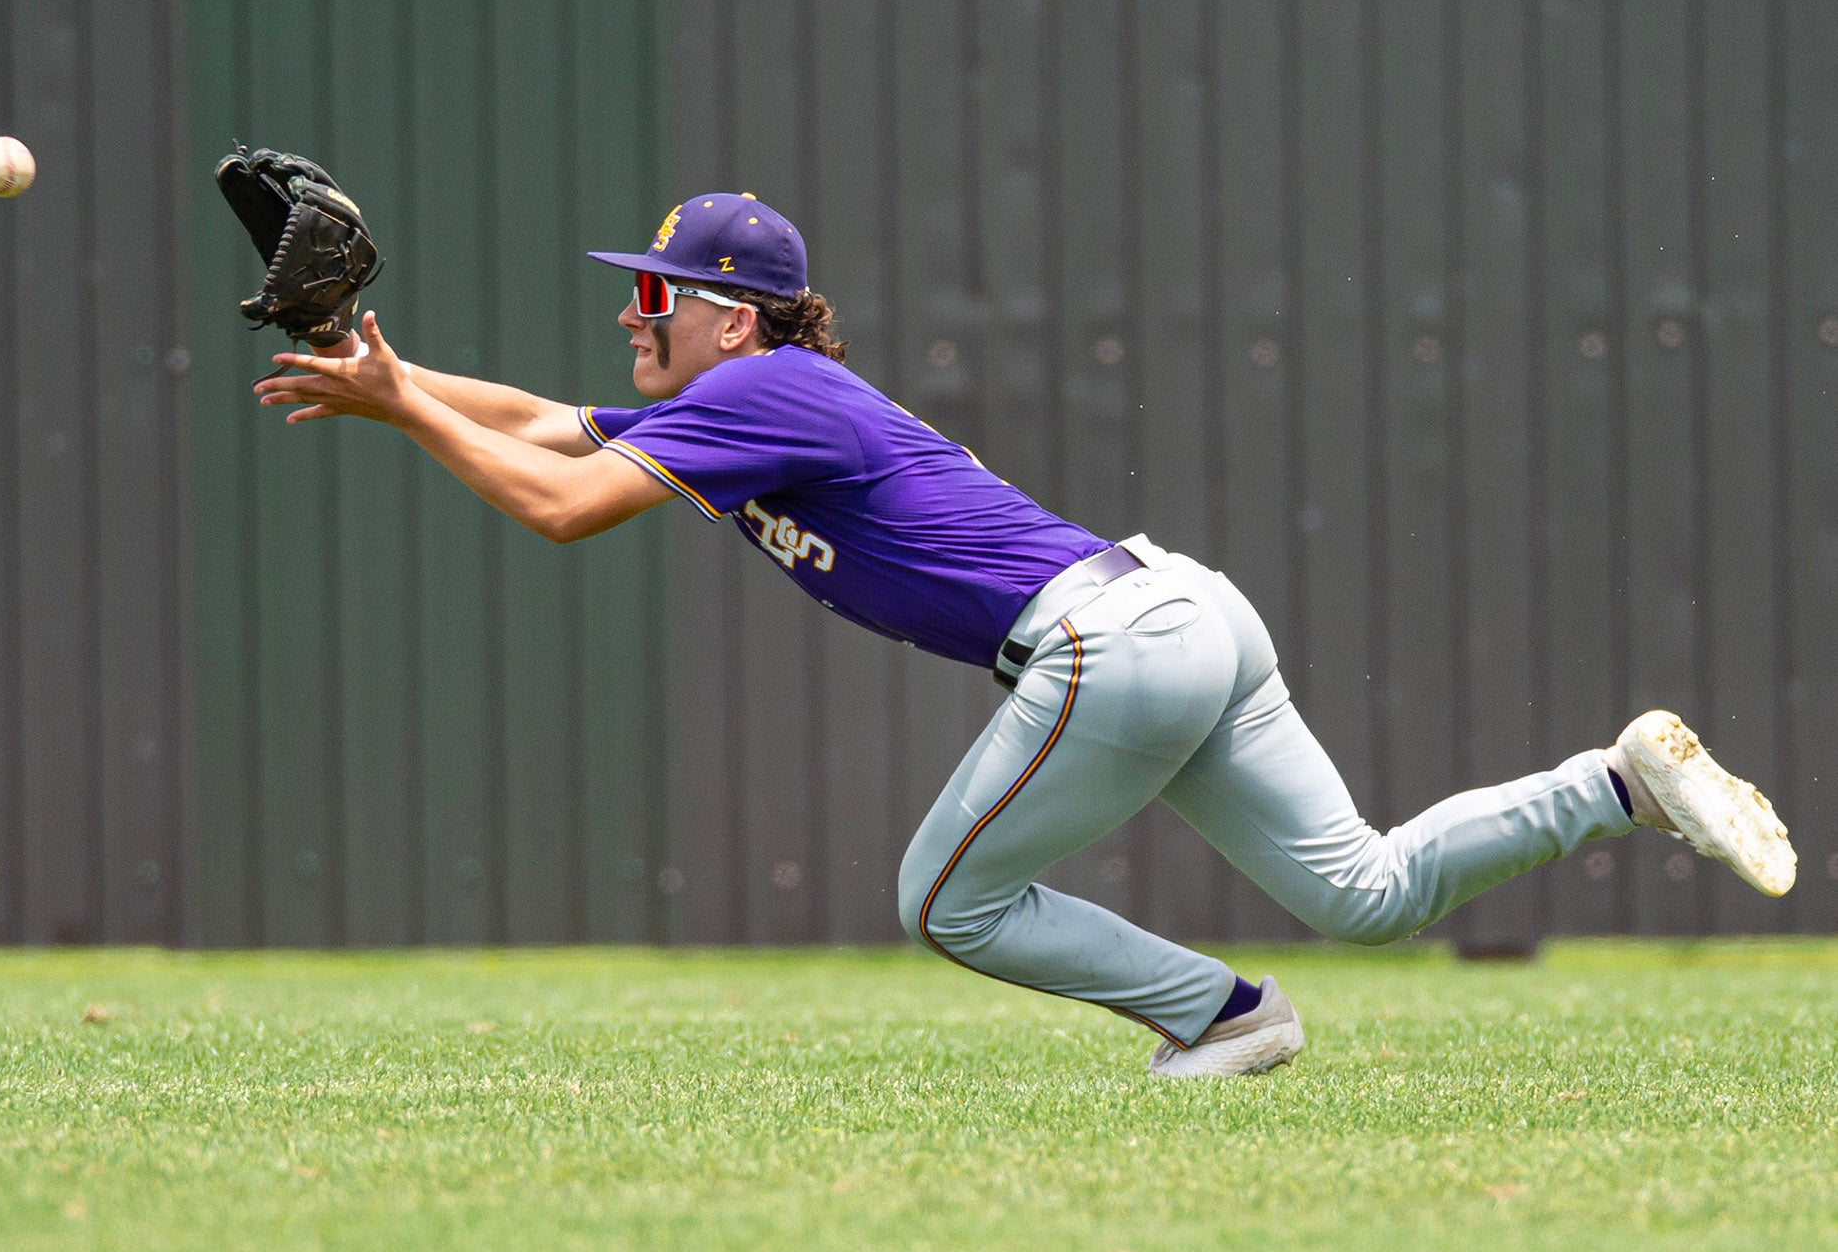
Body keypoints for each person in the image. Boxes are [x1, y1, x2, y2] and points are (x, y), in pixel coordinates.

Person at [256, 193, 1796, 1077]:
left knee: (943, 897)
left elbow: (558, 508)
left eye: (653, 290)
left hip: (1106, 644)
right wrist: (384, 375)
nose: (629, 312)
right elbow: (536, 423)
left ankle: (1225, 1015)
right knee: (1371, 891)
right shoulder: (751, 400)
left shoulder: (758, 393)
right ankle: (1619, 785)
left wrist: (394, 405)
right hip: (1185, 615)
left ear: (734, 313)